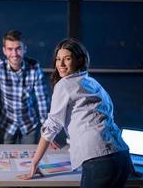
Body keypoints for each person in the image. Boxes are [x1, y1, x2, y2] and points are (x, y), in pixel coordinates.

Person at [17, 38, 132, 187]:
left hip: (98, 159)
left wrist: (34, 164)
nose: (61, 64)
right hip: (122, 157)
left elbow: (51, 126)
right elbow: (108, 121)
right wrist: (130, 165)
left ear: (79, 60)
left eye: (67, 59)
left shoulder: (64, 85)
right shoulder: (92, 82)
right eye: (58, 59)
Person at [0, 29, 49, 147]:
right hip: (6, 124)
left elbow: (42, 103)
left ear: (24, 49)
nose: (14, 54)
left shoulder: (35, 68)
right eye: (10, 49)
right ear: (4, 51)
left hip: (29, 124)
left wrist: (48, 133)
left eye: (18, 48)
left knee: (29, 161)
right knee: (4, 161)